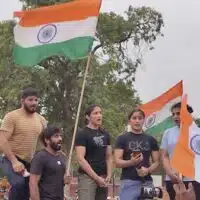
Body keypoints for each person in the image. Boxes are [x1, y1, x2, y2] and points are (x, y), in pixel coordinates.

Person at [0, 87, 47, 200]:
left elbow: (45, 142)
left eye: (36, 100)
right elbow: (2, 139)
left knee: (31, 187)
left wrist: (57, 153)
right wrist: (14, 161)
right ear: (22, 100)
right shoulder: (12, 116)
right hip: (10, 159)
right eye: (30, 100)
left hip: (30, 161)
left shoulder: (41, 120)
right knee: (18, 184)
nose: (34, 103)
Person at [114, 109, 160, 200]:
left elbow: (157, 162)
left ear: (144, 120)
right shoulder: (122, 138)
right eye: (134, 118)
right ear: (129, 121)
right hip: (128, 182)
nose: (137, 121)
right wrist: (132, 162)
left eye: (140, 118)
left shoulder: (151, 139)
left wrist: (147, 170)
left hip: (147, 182)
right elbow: (117, 162)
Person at [160, 102, 200, 200]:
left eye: (178, 113)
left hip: (194, 179)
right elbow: (164, 156)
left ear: (188, 114)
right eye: (173, 114)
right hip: (173, 180)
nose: (175, 117)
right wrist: (170, 173)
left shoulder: (197, 132)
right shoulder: (168, 133)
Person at [75, 105, 112, 200]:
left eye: (100, 113)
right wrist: (96, 178)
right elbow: (80, 159)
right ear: (88, 117)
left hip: (103, 177)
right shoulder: (82, 134)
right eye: (95, 113)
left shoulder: (105, 134)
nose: (99, 115)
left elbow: (109, 157)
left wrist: (109, 174)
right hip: (87, 177)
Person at [29, 125, 69, 200]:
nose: (60, 139)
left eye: (60, 136)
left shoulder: (61, 157)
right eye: (56, 136)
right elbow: (33, 183)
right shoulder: (40, 157)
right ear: (47, 140)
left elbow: (54, 180)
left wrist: (64, 180)